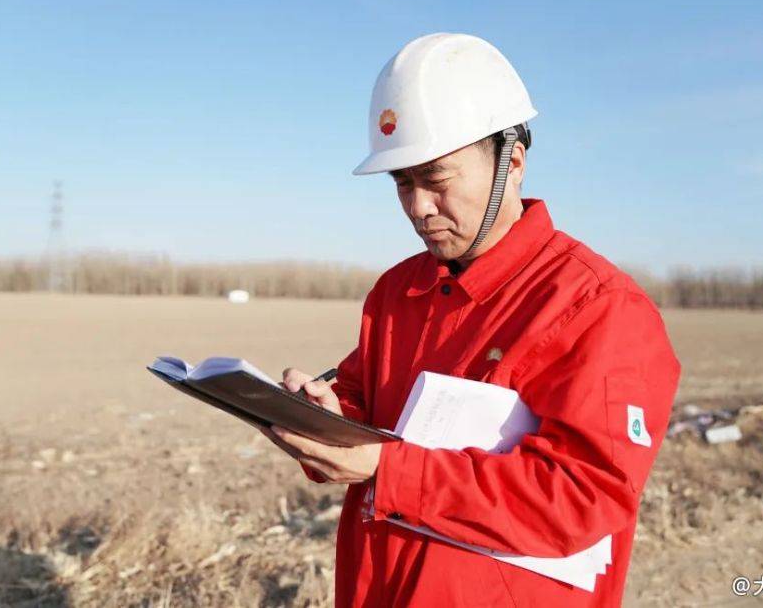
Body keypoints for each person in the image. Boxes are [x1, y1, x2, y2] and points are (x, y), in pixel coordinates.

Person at [260, 33, 680, 607]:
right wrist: (328, 422)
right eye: (401, 183)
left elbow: (584, 496)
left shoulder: (599, 306)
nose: (417, 207)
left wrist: (388, 469)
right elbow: (364, 399)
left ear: (512, 161)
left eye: (435, 178)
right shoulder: (398, 291)